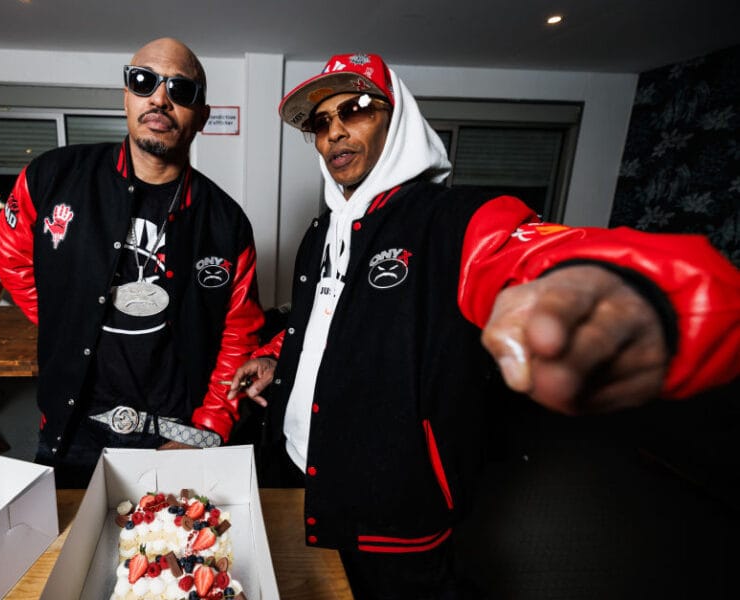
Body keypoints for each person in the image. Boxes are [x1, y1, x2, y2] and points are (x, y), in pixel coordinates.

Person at [229, 53, 740, 599]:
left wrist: (641, 295)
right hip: (298, 466)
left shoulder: (454, 219)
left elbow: (527, 255)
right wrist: (277, 355)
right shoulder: (323, 229)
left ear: (396, 118)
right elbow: (324, 322)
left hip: (394, 495)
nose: (335, 132)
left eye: (356, 109)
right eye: (320, 121)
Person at [0, 38, 264, 487]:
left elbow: (240, 333)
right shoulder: (53, 176)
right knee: (67, 550)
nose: (159, 98)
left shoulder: (226, 221)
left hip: (173, 434)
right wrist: (67, 320)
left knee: (168, 551)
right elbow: (12, 257)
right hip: (72, 423)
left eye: (180, 90)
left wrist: (209, 428)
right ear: (126, 96)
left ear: (202, 116)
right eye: (144, 82)